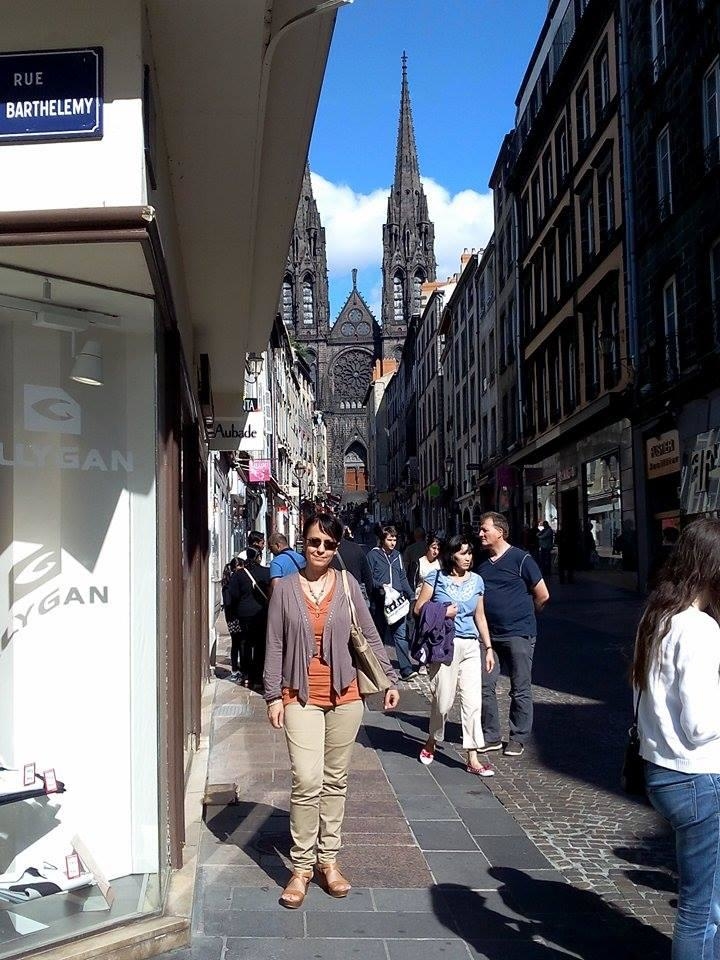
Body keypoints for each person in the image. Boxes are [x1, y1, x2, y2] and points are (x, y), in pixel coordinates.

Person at [264, 512, 399, 909]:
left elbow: (369, 632)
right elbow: (274, 644)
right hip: (299, 695)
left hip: (346, 696)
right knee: (307, 780)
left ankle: (328, 861)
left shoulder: (347, 584)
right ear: (302, 543)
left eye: (328, 544)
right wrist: (273, 696)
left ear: (336, 547)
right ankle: (301, 867)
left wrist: (390, 679)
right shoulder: (285, 588)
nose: (320, 549)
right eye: (313, 542)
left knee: (335, 780)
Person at [631, 517, 720, 959]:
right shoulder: (699, 628)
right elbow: (701, 724)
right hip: (698, 776)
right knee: (701, 909)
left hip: (660, 769)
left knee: (703, 899)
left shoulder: (656, 617)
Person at [415, 535, 496, 776]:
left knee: (472, 702)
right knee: (443, 702)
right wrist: (443, 611)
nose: (468, 557)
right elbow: (418, 608)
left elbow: (480, 616)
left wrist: (488, 648)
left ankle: (473, 757)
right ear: (452, 555)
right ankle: (432, 740)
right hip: (444, 645)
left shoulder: (477, 581)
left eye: (470, 552)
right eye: (463, 553)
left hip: (470, 645)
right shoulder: (436, 578)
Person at [477, 512, 549, 757]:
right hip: (489, 637)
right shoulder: (482, 563)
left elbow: (543, 594)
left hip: (519, 633)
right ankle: (491, 736)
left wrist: (524, 615)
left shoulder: (521, 559)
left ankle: (518, 737)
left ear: (500, 532)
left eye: (484, 529)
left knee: (520, 687)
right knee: (485, 685)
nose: (480, 534)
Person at [367, 524, 416, 681]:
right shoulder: (373, 555)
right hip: (380, 601)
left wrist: (410, 593)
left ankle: (406, 669)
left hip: (397, 602)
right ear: (383, 540)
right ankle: (379, 668)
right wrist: (379, 586)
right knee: (379, 635)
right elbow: (368, 578)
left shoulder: (397, 556)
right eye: (390, 539)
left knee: (400, 635)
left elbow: (402, 577)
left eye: (394, 539)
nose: (393, 543)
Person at [227, 546, 270, 688]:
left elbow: (233, 594)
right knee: (260, 645)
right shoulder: (266, 572)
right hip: (261, 613)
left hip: (244, 613)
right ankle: (258, 677)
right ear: (259, 557)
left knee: (244, 643)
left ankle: (246, 675)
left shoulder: (239, 574)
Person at [331, 526, 374, 604]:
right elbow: (367, 577)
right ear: (343, 532)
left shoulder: (327, 551)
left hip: (335, 598)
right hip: (356, 597)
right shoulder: (356, 548)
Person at [221, 557, 244, 680]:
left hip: (230, 617)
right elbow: (230, 601)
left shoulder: (227, 583)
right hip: (235, 617)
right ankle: (236, 669)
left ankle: (236, 669)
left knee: (236, 643)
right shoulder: (232, 584)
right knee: (238, 643)